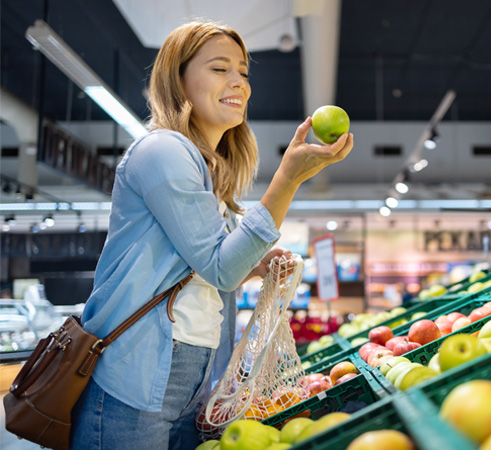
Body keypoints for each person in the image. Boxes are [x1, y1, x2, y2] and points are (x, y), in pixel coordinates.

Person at [69, 21, 353, 450]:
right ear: (178, 79)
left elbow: (209, 269)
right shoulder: (162, 150)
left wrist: (255, 265)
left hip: (194, 370)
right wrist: (288, 179)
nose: (239, 81)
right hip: (138, 370)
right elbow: (221, 269)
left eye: (243, 71)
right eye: (220, 68)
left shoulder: (206, 171)